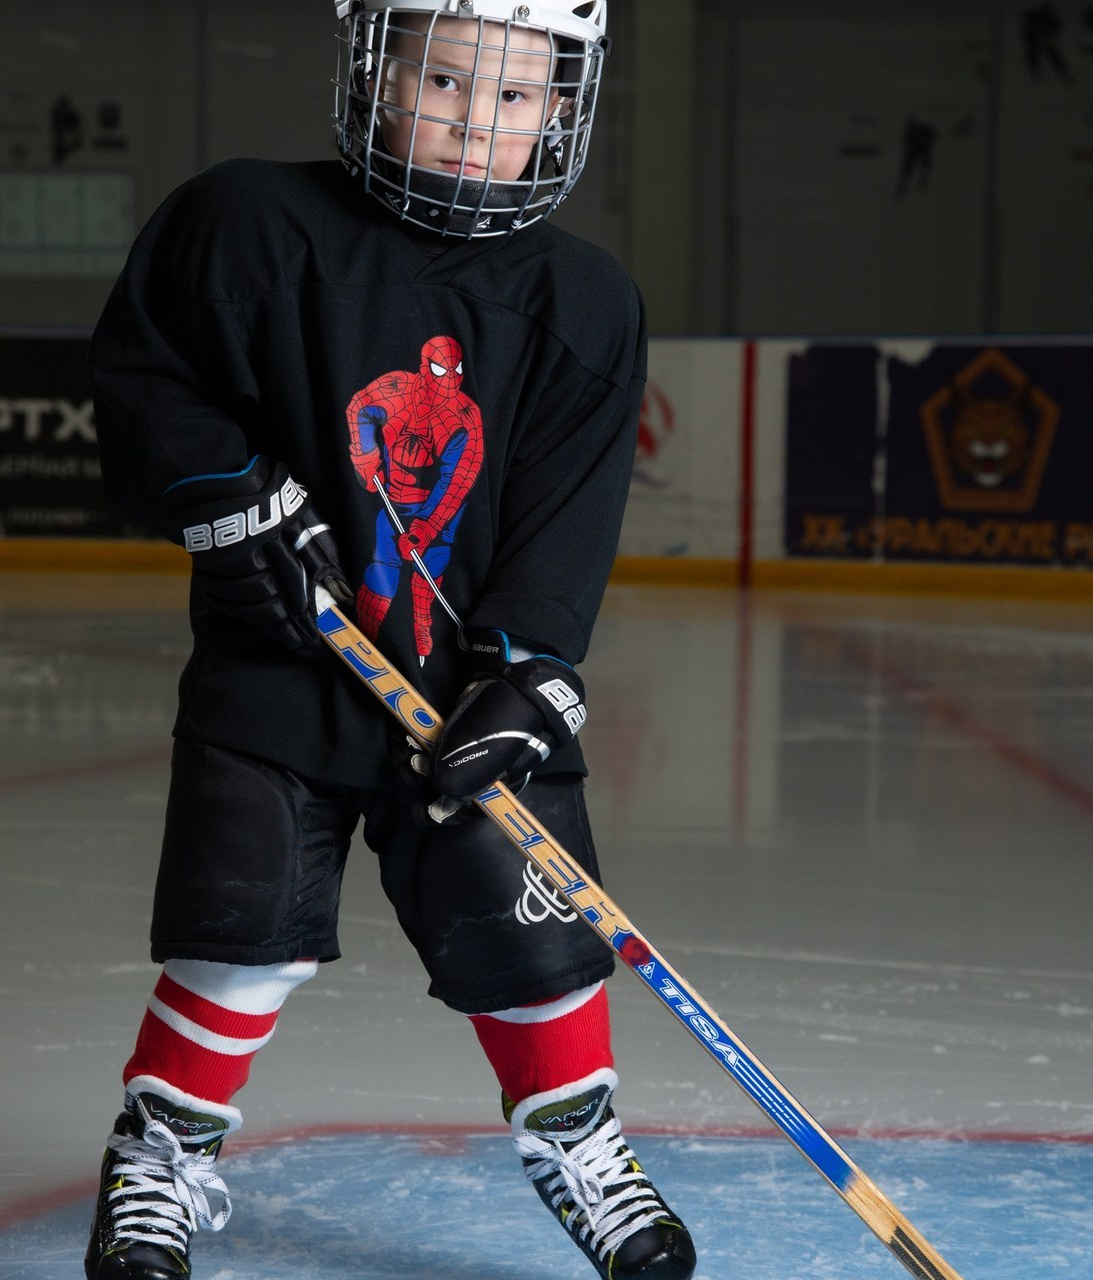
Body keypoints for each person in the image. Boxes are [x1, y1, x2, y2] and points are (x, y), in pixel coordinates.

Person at [83, 3, 697, 1278]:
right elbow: (144, 378)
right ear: (375, 72)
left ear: (565, 109)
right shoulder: (245, 223)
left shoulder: (582, 301)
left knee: (534, 938)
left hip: (458, 695)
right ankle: (160, 1151)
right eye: (447, 81)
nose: (481, 123)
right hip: (279, 671)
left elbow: (562, 520)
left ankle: (581, 1142)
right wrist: (225, 490)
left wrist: (527, 672)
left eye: (519, 98)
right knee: (237, 933)